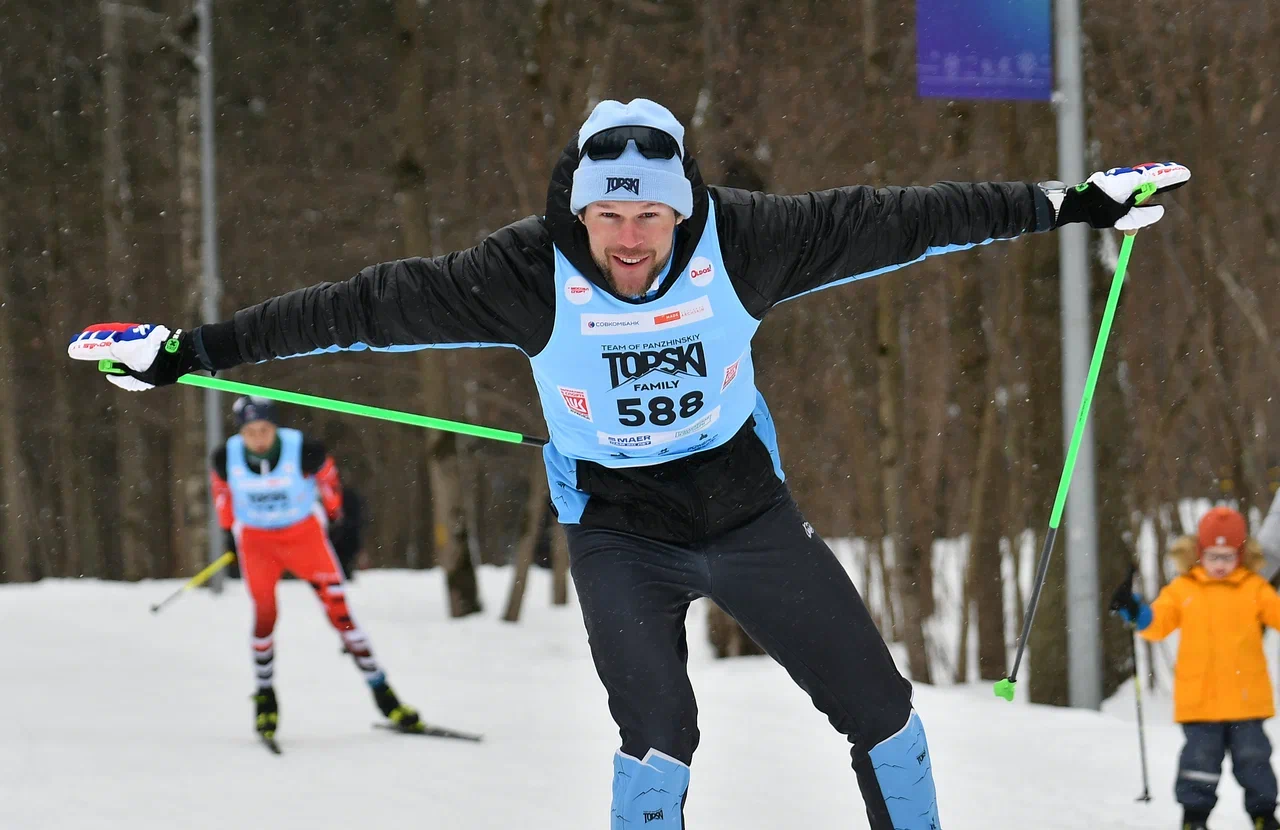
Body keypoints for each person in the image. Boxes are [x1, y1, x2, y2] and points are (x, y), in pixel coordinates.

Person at [68, 98, 1189, 828]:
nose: (630, 239)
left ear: (682, 205)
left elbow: (913, 218)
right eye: (608, 215)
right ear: (577, 210)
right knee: (657, 735)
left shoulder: (741, 239)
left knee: (882, 709)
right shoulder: (523, 270)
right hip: (618, 532)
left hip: (748, 511)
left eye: (649, 213)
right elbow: (360, 308)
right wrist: (188, 355)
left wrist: (1077, 202)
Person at [210, 395, 422, 743]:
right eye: (250, 432)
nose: (258, 438)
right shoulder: (225, 458)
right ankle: (265, 697)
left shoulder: (304, 450)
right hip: (257, 542)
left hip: (303, 536)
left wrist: (336, 514)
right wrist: (229, 531)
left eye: (264, 429)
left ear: (275, 427)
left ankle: (385, 695)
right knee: (264, 615)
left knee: (341, 615)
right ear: (240, 433)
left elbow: (330, 482)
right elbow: (222, 495)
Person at [1111, 506, 1280, 830]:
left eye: (1228, 556)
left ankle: (1263, 814)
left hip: (1247, 700)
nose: (1220, 564)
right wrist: (1134, 611)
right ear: (1199, 553)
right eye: (1213, 556)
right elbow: (1157, 623)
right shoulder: (1183, 589)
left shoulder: (1254, 589)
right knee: (1199, 763)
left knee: (1254, 760)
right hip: (1200, 701)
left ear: (1241, 555)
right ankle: (1194, 818)